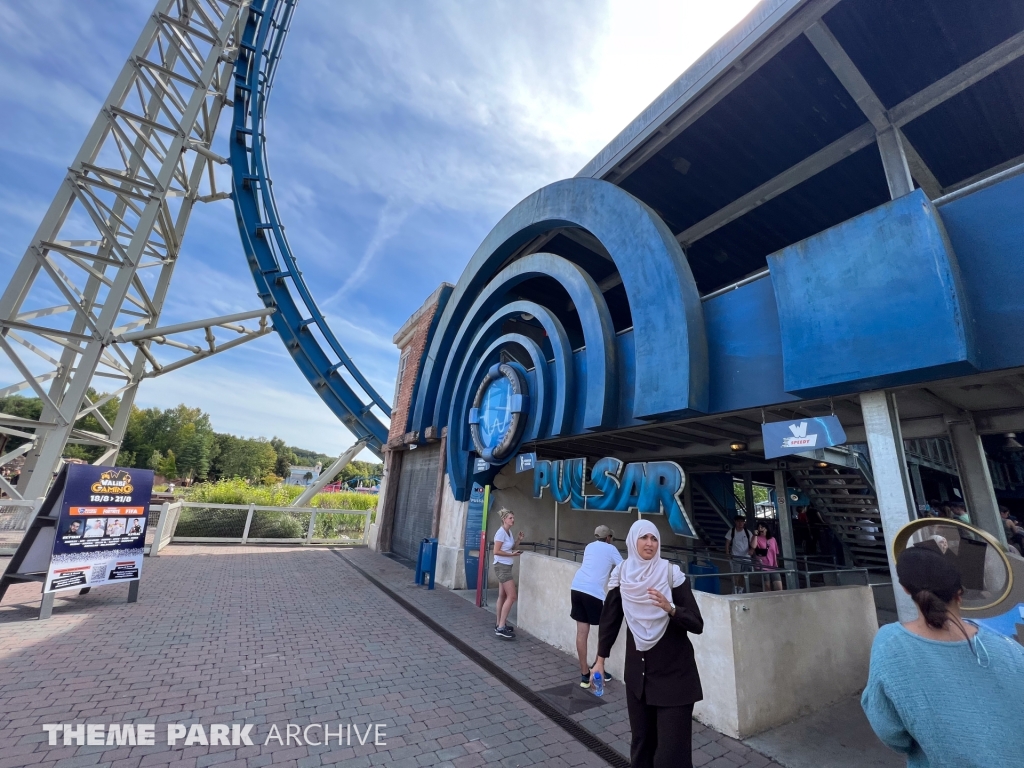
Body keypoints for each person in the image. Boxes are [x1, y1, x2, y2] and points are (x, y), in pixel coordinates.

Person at [861, 546, 1024, 767]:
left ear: (906, 589)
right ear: (960, 593)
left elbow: (889, 730)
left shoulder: (889, 644)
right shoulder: (1010, 649)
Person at [592, 520, 703, 768]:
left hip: (675, 679)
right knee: (641, 747)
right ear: (633, 541)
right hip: (639, 680)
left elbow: (697, 623)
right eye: (644, 538)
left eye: (654, 538)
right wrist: (600, 661)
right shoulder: (621, 574)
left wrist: (670, 608)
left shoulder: (670, 573)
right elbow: (610, 620)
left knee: (671, 756)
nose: (649, 544)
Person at [570, 525, 623, 687]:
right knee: (605, 629)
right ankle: (598, 667)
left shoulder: (589, 546)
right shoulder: (611, 548)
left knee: (581, 632)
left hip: (577, 587)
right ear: (608, 538)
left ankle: (585, 674)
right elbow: (624, 568)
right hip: (593, 593)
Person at [492, 508, 524, 640]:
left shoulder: (508, 532)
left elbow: (509, 547)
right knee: (512, 596)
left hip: (506, 566)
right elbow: (496, 551)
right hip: (502, 567)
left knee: (502, 595)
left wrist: (518, 540)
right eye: (510, 518)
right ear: (504, 519)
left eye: (513, 518)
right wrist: (511, 555)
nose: (513, 520)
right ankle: (501, 627)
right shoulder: (500, 533)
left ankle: (499, 623)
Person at [724, 514, 753, 593]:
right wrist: (727, 553)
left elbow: (753, 543)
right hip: (735, 556)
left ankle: (740, 589)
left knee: (743, 575)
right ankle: (735, 589)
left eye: (742, 522)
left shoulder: (748, 532)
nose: (740, 523)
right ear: (735, 522)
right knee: (736, 574)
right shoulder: (732, 531)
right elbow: (727, 543)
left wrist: (752, 550)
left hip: (746, 557)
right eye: (738, 521)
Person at [752, 521, 783, 591]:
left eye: (762, 527)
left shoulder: (772, 539)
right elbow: (753, 546)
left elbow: (776, 552)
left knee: (779, 587)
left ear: (766, 529)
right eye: (758, 527)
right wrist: (755, 535)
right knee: (767, 586)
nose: (760, 529)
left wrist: (777, 563)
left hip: (773, 565)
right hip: (763, 565)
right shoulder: (757, 538)